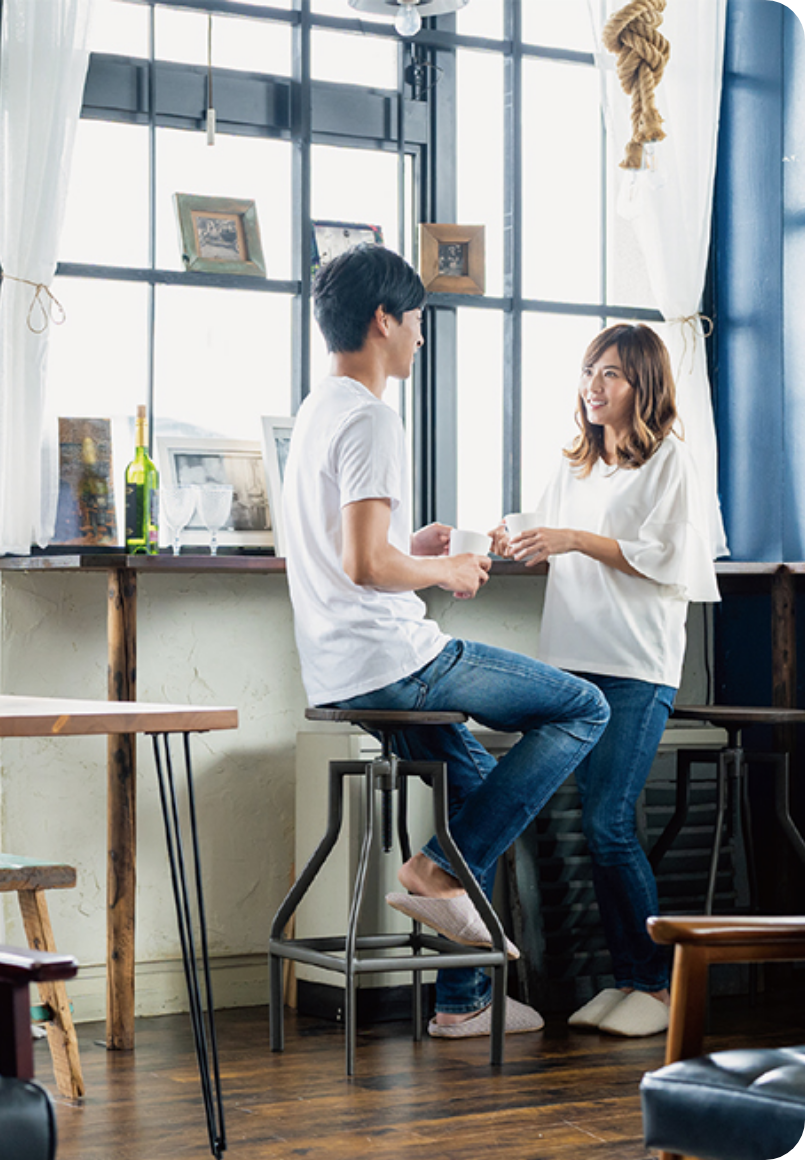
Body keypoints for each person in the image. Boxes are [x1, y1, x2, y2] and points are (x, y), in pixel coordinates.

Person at [281, 243, 610, 1038]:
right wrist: (450, 573)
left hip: (335, 668)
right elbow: (365, 563)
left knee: (475, 791)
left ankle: (462, 1003)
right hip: (393, 662)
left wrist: (416, 551)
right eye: (418, 320)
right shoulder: (371, 415)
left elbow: (348, 553)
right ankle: (430, 870)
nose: (422, 338)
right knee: (584, 709)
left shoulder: (315, 410)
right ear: (384, 320)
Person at [491, 322, 720, 1038]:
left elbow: (666, 557)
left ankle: (654, 985)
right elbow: (557, 540)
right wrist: (518, 539)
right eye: (590, 370)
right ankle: (629, 978)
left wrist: (569, 538)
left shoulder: (671, 463)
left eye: (611, 374)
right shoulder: (578, 465)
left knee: (609, 822)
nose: (594, 384)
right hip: (573, 664)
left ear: (643, 385)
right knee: (594, 827)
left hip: (634, 668)